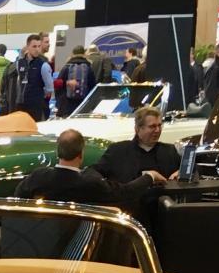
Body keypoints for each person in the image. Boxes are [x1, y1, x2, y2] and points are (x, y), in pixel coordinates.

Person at [17, 129, 163, 205]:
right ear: (81, 154)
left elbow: (18, 197)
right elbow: (125, 192)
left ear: (57, 152)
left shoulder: (38, 177)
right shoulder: (90, 183)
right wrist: (150, 176)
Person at [95, 107, 180, 183]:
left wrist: (180, 173)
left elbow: (184, 171)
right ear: (138, 129)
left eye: (159, 125)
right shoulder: (117, 151)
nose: (157, 130)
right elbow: (94, 173)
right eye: (152, 126)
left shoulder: (169, 151)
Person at [14, 33, 52, 122]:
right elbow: (18, 83)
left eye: (39, 46)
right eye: (34, 46)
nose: (37, 49)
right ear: (28, 47)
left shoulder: (44, 65)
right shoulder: (19, 63)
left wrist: (39, 98)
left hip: (36, 107)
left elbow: (49, 89)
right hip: (21, 106)